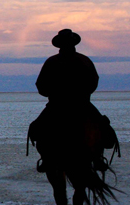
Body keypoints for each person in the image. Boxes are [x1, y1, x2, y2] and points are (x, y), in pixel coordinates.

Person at [29, 29, 114, 170]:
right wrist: (83, 93)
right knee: (103, 127)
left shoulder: (52, 61)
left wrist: (53, 93)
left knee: (37, 128)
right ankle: (98, 158)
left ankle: (46, 159)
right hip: (83, 104)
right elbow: (94, 82)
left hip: (57, 105)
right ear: (74, 43)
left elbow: (41, 86)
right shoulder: (85, 60)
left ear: (59, 45)